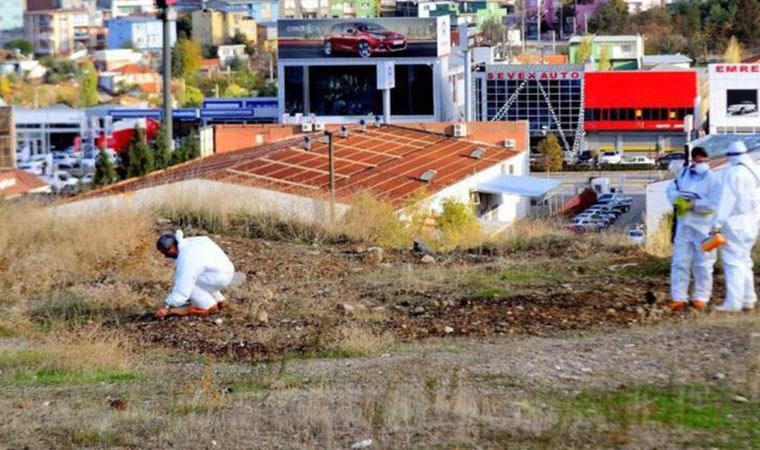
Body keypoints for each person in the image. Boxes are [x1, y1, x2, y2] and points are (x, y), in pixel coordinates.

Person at [667, 146, 721, 312]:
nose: (699, 164)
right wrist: (678, 200)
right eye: (696, 160)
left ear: (708, 160)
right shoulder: (684, 174)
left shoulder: (714, 180)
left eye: (702, 161)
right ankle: (678, 298)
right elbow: (671, 189)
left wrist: (695, 204)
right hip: (684, 225)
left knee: (703, 264)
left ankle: (701, 297)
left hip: (704, 228)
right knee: (679, 262)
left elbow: (714, 203)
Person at [711, 141, 760, 312]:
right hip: (751, 222)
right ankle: (748, 298)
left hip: (735, 223)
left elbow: (727, 200)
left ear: (731, 156)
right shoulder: (754, 171)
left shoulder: (733, 173)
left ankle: (734, 302)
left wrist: (716, 224)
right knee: (745, 261)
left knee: (733, 262)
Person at [154, 230, 235, 319]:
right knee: (200, 276)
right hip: (226, 271)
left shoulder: (186, 258)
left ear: (172, 247)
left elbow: (183, 287)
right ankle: (220, 300)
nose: (166, 256)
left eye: (166, 252)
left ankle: (208, 306)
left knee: (190, 284)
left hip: (217, 278)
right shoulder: (192, 242)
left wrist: (167, 306)